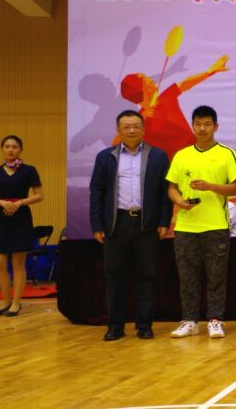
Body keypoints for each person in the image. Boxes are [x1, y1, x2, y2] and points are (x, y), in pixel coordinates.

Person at [89, 110, 172, 341]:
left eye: (136, 126)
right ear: (118, 130)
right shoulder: (105, 157)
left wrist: (164, 221)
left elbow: (165, 192)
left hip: (147, 224)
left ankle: (144, 325)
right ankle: (115, 326)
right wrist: (97, 224)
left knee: (147, 275)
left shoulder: (158, 156)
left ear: (143, 129)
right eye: (126, 127)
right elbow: (96, 191)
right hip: (116, 223)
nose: (132, 130)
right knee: (114, 276)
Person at [166, 105, 236, 339]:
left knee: (216, 276)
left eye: (207, 124)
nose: (202, 128)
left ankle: (215, 320)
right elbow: (172, 187)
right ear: (192, 126)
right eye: (198, 124)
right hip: (185, 227)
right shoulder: (182, 155)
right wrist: (180, 201)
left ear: (216, 126)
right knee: (187, 276)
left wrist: (210, 187)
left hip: (216, 226)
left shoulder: (227, 153)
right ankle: (189, 321)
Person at [119, 54, 229, 160]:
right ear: (144, 89)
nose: (151, 80)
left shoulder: (165, 98)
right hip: (173, 165)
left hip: (196, 152)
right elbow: (120, 141)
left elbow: (186, 83)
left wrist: (210, 72)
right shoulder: (140, 122)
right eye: (146, 79)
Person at [0, 136, 44, 316]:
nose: (10, 150)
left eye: (14, 147)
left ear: (20, 149)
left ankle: (16, 303)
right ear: (2, 149)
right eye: (7, 146)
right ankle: (5, 300)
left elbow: (39, 195)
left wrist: (19, 203)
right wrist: (2, 203)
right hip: (1, 218)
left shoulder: (29, 170)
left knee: (18, 264)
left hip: (21, 218)